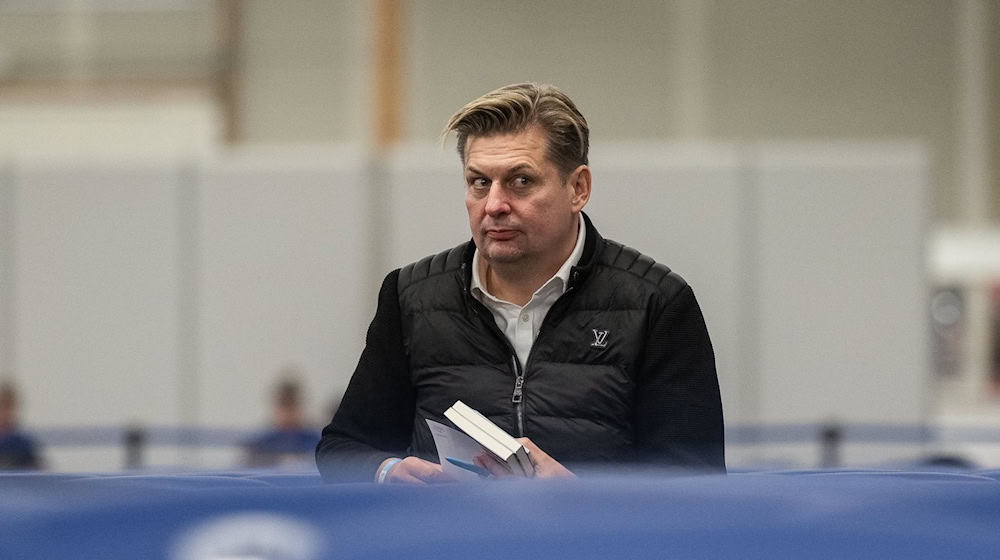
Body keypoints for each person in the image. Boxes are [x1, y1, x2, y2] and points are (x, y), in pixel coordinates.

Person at [316, 83, 724, 483]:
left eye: (521, 181)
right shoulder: (411, 297)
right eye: (479, 182)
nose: (494, 205)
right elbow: (344, 448)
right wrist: (388, 471)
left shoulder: (658, 302)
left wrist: (577, 498)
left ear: (578, 188)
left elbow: (694, 484)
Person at [243, 373, 318, 468]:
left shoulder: (318, 443)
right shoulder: (258, 447)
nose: (289, 413)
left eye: (293, 405)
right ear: (275, 407)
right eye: (284, 405)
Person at [0, 380, 42, 470]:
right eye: (2, 407)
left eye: (9, 408)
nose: (6, 413)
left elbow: (37, 474)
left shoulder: (23, 443)